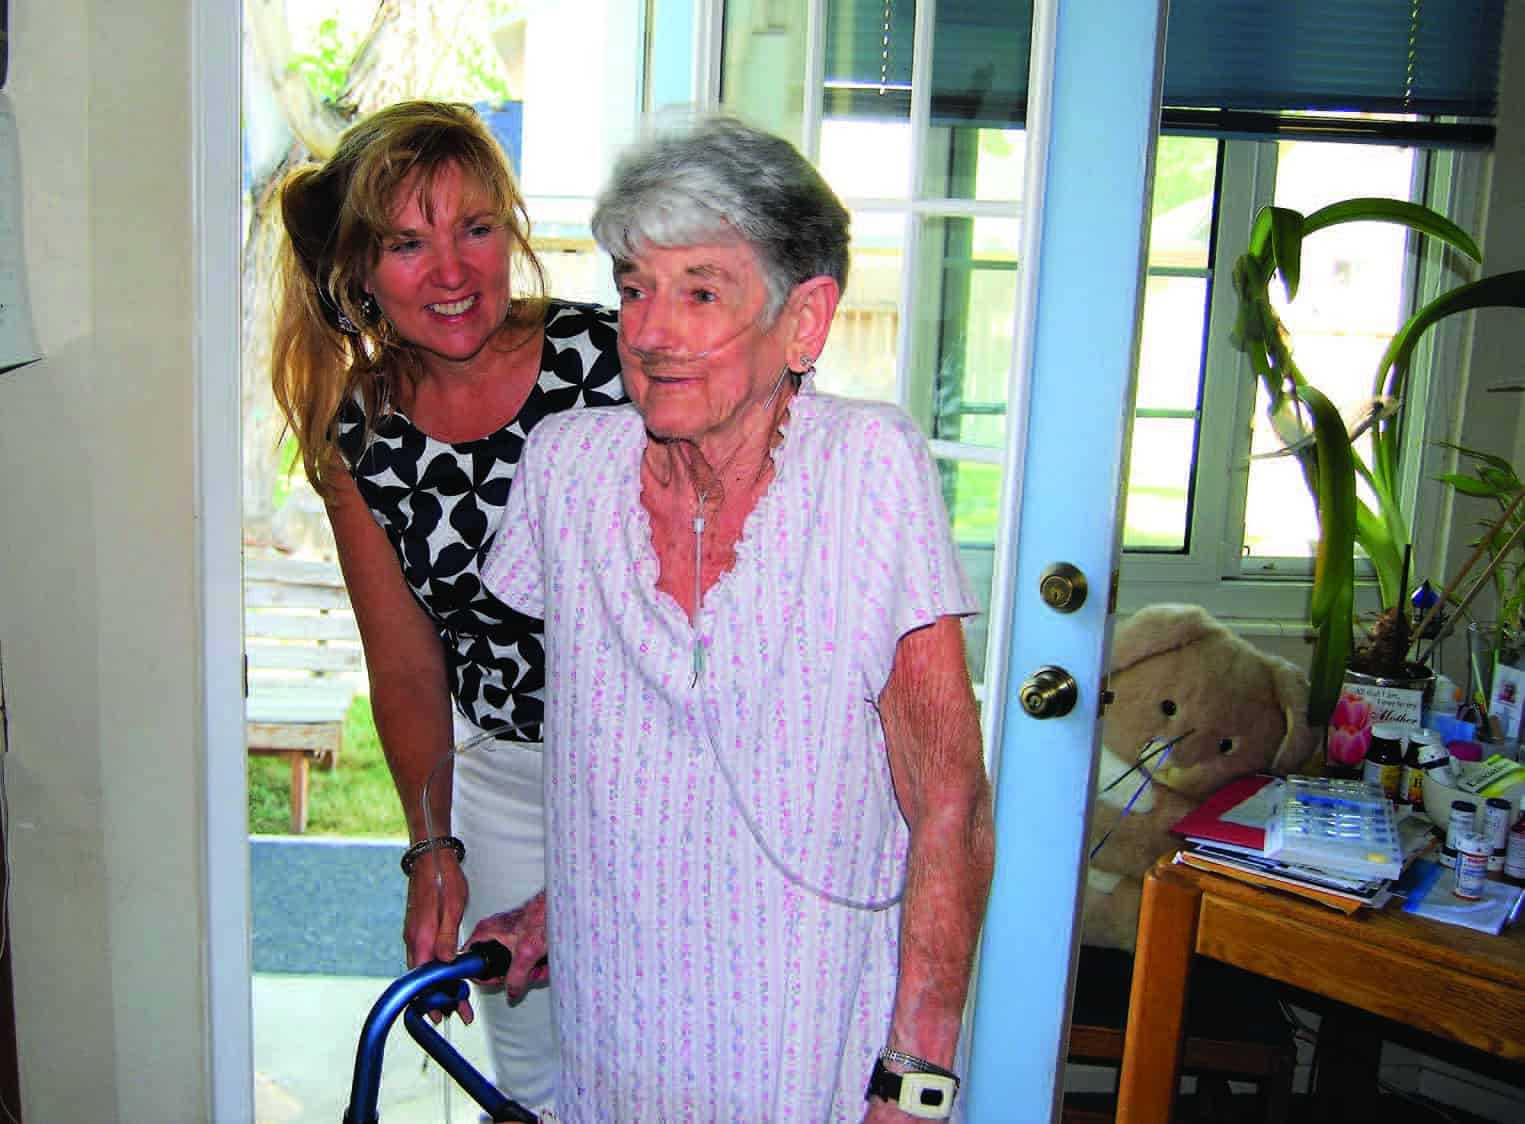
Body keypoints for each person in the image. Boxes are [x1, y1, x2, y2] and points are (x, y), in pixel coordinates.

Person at [471, 117, 994, 1122]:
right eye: (634, 288)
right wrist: (557, 906)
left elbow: (950, 805)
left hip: (806, 1044)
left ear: (804, 322)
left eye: (699, 291)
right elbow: (633, 773)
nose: (651, 331)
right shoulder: (567, 473)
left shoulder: (867, 472)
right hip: (619, 1031)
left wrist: (915, 1076)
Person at [270, 100, 623, 1109]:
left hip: (664, 773)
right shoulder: (360, 435)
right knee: (539, 1087)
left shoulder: (612, 363)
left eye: (474, 228)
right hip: (509, 784)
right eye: (407, 244)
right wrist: (433, 852)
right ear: (358, 273)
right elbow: (408, 669)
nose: (453, 270)